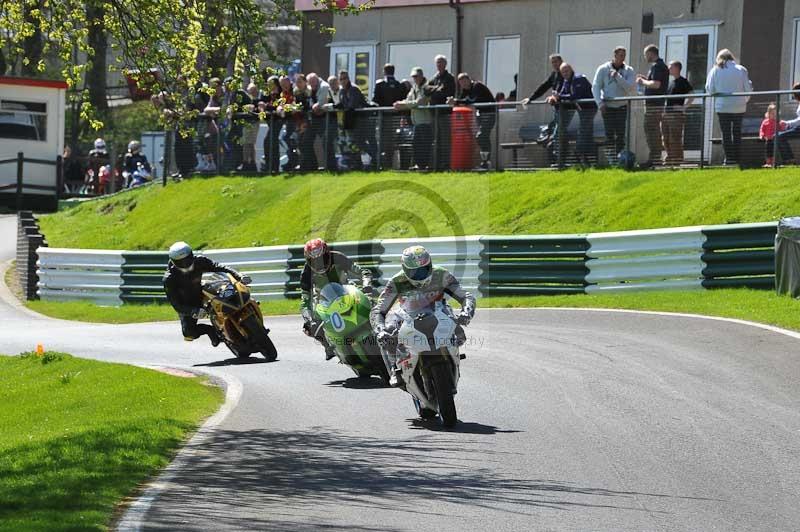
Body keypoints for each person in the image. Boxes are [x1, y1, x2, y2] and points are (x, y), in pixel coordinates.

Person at [369, 245, 475, 388]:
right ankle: (395, 368)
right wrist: (380, 329)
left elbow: (465, 296)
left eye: (424, 269)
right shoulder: (396, 281)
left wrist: (466, 312)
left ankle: (452, 353)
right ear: (405, 269)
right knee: (387, 333)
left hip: (439, 311)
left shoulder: (441, 274)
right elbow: (378, 310)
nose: (420, 274)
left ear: (430, 264)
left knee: (460, 335)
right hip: (408, 314)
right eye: (414, 272)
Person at [163, 241, 251, 347]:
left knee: (231, 292)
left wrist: (238, 275)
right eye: (180, 262)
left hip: (201, 293)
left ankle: (246, 308)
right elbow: (176, 304)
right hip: (188, 304)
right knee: (188, 334)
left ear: (191, 255)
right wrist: (192, 311)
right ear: (173, 262)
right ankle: (211, 331)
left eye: (187, 259)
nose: (185, 264)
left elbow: (218, 266)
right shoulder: (169, 279)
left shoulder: (200, 261)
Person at [300, 238, 373, 360]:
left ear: (327, 253)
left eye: (322, 259)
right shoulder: (306, 273)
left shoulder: (338, 257)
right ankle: (328, 346)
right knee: (310, 327)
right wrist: (308, 318)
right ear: (308, 261)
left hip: (347, 290)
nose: (319, 263)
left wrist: (367, 285)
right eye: (315, 261)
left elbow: (362, 272)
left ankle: (379, 332)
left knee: (372, 304)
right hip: (324, 300)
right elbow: (305, 300)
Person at [705, 49, 753, 166]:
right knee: (737, 132)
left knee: (725, 133)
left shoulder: (715, 70)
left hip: (723, 106)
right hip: (739, 107)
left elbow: (710, 89)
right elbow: (748, 89)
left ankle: (729, 159)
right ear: (731, 57)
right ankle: (737, 158)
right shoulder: (741, 69)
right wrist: (744, 101)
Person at [547, 63, 597, 166]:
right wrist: (554, 97)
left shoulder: (578, 78)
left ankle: (579, 154)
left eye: (567, 71)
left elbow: (575, 95)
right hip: (581, 109)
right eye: (563, 72)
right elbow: (562, 93)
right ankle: (584, 158)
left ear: (571, 70)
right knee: (585, 131)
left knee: (583, 131)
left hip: (589, 108)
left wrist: (559, 96)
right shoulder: (566, 81)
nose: (565, 73)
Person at [593, 46, 636, 163]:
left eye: (624, 55)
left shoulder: (629, 70)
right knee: (609, 134)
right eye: (620, 55)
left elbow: (629, 88)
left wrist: (618, 77)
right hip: (608, 107)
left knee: (621, 135)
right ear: (615, 55)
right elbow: (596, 87)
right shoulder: (603, 69)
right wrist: (599, 103)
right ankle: (612, 160)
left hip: (622, 106)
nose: (622, 58)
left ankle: (620, 159)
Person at [450, 73, 496, 169]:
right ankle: (485, 162)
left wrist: (457, 101)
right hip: (480, 115)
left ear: (468, 79)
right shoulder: (466, 90)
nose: (463, 84)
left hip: (489, 114)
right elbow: (462, 100)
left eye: (464, 81)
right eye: (460, 83)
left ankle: (487, 162)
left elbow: (472, 100)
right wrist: (453, 101)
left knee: (481, 136)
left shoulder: (477, 86)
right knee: (482, 137)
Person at [636, 45, 669, 168]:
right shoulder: (660, 66)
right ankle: (655, 158)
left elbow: (656, 85)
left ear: (651, 53)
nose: (645, 57)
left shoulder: (657, 66)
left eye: (646, 54)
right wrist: (646, 79)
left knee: (651, 131)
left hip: (654, 105)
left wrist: (642, 82)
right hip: (656, 104)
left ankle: (654, 159)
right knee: (653, 131)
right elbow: (655, 83)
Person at [394, 67, 433, 170]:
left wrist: (403, 105)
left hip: (425, 121)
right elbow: (409, 100)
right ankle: (419, 165)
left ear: (421, 76)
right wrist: (400, 103)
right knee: (416, 145)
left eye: (416, 76)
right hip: (416, 122)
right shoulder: (414, 88)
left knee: (425, 146)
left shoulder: (427, 87)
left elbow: (420, 102)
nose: (414, 78)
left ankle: (424, 166)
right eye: (413, 77)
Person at [424, 55, 456, 170]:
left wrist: (435, 90)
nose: (439, 65)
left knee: (445, 139)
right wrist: (437, 88)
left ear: (445, 64)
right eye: (437, 62)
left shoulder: (449, 78)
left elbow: (446, 92)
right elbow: (425, 89)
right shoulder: (434, 77)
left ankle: (446, 164)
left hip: (444, 114)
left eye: (441, 62)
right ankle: (436, 164)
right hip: (434, 113)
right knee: (435, 139)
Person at [335, 70, 373, 169]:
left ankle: (376, 158)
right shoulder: (342, 91)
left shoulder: (354, 89)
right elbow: (343, 104)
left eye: (345, 78)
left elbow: (352, 105)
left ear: (348, 79)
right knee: (355, 144)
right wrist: (333, 106)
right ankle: (358, 164)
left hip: (361, 120)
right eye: (341, 79)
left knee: (361, 143)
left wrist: (343, 107)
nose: (343, 81)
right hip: (351, 121)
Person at [373, 63, 408, 168]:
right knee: (394, 140)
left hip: (384, 117)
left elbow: (375, 100)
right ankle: (392, 163)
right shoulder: (399, 85)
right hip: (396, 118)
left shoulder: (380, 84)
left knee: (384, 141)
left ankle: (386, 164)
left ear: (384, 71)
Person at [662, 61, 694, 166]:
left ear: (677, 68)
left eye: (670, 67)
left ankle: (677, 160)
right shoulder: (671, 82)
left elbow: (692, 95)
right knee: (665, 137)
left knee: (674, 137)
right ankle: (670, 157)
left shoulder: (683, 81)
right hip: (666, 114)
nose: (669, 69)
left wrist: (684, 107)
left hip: (676, 115)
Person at [304, 73, 337, 171]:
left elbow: (320, 104)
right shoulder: (310, 88)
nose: (312, 85)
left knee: (326, 142)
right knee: (307, 140)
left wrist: (316, 106)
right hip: (315, 120)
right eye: (310, 83)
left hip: (328, 119)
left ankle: (331, 167)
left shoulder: (324, 87)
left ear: (317, 79)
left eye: (313, 82)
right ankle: (312, 166)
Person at [259, 75, 283, 174]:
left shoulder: (281, 94)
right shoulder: (266, 94)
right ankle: (270, 166)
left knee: (269, 140)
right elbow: (262, 105)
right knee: (271, 142)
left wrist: (268, 107)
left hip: (278, 121)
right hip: (270, 121)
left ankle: (274, 167)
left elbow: (278, 106)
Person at [776, 83, 800, 165]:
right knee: (777, 136)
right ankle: (790, 160)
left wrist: (787, 123)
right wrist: (787, 125)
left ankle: (789, 160)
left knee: (778, 137)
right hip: (798, 128)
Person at [760, 103, 787, 168]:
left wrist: (783, 126)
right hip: (768, 139)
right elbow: (762, 129)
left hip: (776, 139)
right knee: (768, 151)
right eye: (772, 114)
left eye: (775, 114)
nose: (774, 115)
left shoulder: (778, 122)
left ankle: (776, 163)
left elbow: (782, 129)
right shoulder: (765, 121)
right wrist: (762, 135)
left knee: (777, 151)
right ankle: (768, 163)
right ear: (768, 114)